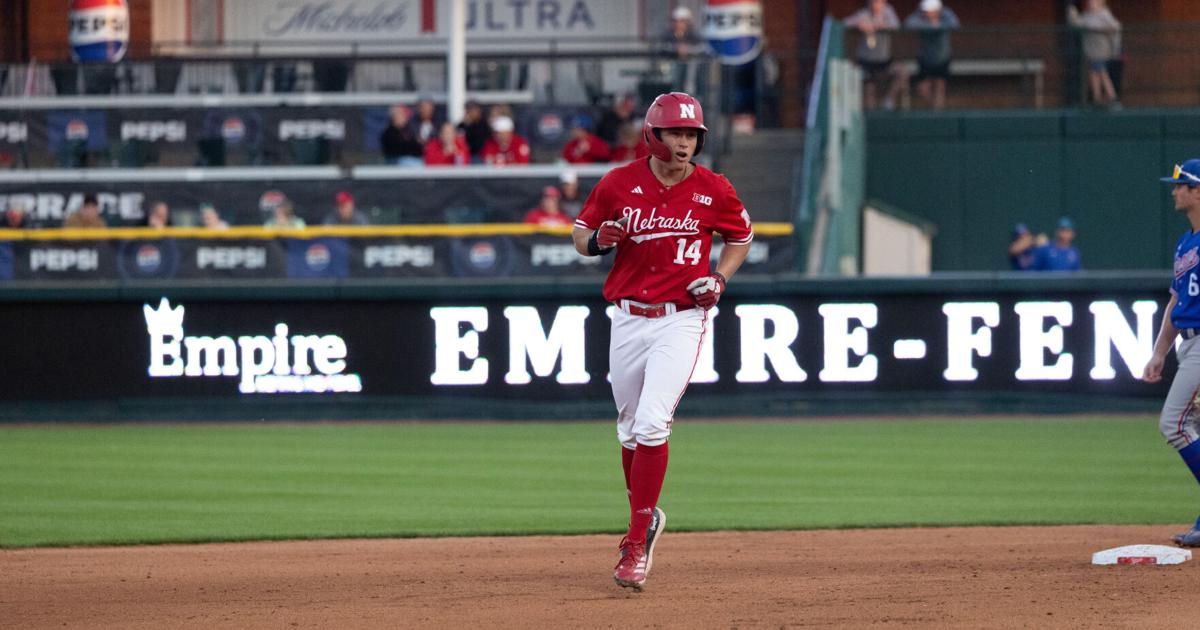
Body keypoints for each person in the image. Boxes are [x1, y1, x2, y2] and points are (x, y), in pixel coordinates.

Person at [571, 92, 754, 591]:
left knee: (653, 423)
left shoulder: (713, 187)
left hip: (681, 318)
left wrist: (719, 278)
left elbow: (741, 237)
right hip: (628, 318)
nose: (684, 141)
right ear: (653, 135)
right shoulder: (618, 182)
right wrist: (597, 241)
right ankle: (646, 517)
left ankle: (635, 543)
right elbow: (581, 233)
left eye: (691, 133)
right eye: (675, 132)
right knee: (630, 431)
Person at [1142, 159, 1200, 547]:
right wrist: (1160, 351)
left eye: (1181, 185)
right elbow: (1176, 301)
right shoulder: (1185, 242)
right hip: (1187, 343)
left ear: (1198, 191)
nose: (1174, 191)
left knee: (1174, 424)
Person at [845, 0, 908, 110]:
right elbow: (845, 23)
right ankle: (871, 114)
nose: (876, 5)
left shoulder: (888, 12)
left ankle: (888, 101)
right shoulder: (864, 13)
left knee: (902, 72)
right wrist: (859, 24)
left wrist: (882, 25)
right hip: (866, 61)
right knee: (869, 89)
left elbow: (897, 26)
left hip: (884, 60)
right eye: (873, 2)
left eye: (879, 2)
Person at [904, 0, 960, 110]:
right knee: (922, 87)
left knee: (939, 86)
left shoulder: (946, 14)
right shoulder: (919, 16)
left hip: (942, 58)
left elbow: (955, 24)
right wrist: (930, 25)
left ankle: (938, 112)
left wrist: (939, 25)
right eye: (926, 11)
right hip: (925, 58)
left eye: (930, 11)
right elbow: (909, 24)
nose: (927, 13)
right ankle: (933, 108)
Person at [1067, 0, 1121, 109]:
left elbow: (1115, 27)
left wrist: (1114, 48)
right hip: (1091, 50)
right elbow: (1078, 24)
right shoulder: (1087, 15)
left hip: (1101, 49)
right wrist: (1072, 14)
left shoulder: (1104, 14)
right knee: (1094, 73)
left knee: (1101, 71)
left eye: (1094, 1)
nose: (1091, 3)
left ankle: (1112, 97)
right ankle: (1097, 98)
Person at [658, 6, 704, 94]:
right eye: (676, 21)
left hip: (690, 67)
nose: (678, 24)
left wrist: (688, 49)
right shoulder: (668, 34)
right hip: (672, 66)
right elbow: (663, 47)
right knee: (672, 81)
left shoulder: (694, 34)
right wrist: (676, 48)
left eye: (682, 21)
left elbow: (701, 47)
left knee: (690, 84)